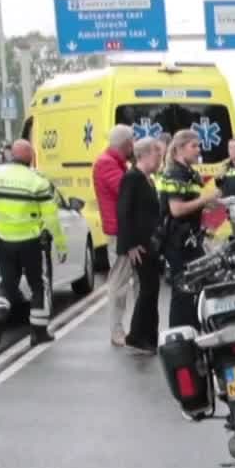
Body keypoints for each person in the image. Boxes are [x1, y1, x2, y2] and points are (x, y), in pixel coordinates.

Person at [0, 139, 68, 347]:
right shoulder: (38, 182)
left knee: (7, 282)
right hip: (31, 241)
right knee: (38, 285)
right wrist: (61, 245)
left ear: (10, 156)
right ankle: (38, 332)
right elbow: (51, 218)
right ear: (31, 158)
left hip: (3, 240)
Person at [154, 128, 223, 330]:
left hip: (190, 239)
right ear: (180, 149)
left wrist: (215, 202)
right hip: (177, 241)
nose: (198, 150)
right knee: (183, 288)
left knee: (198, 282)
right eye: (194, 146)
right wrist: (205, 199)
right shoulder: (174, 172)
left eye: (199, 145)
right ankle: (180, 335)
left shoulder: (189, 172)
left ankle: (193, 328)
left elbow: (194, 202)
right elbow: (176, 209)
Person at [116, 137, 166, 353]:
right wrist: (131, 245)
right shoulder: (132, 178)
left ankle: (149, 336)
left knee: (152, 289)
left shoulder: (149, 179)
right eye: (157, 154)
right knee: (147, 289)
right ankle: (137, 335)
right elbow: (124, 212)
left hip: (151, 242)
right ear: (145, 154)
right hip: (139, 245)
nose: (160, 159)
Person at [93, 125, 137, 347]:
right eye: (133, 142)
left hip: (126, 230)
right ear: (127, 144)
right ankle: (116, 330)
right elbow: (128, 191)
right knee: (119, 284)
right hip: (119, 233)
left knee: (133, 281)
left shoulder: (116, 163)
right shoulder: (106, 164)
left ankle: (133, 327)